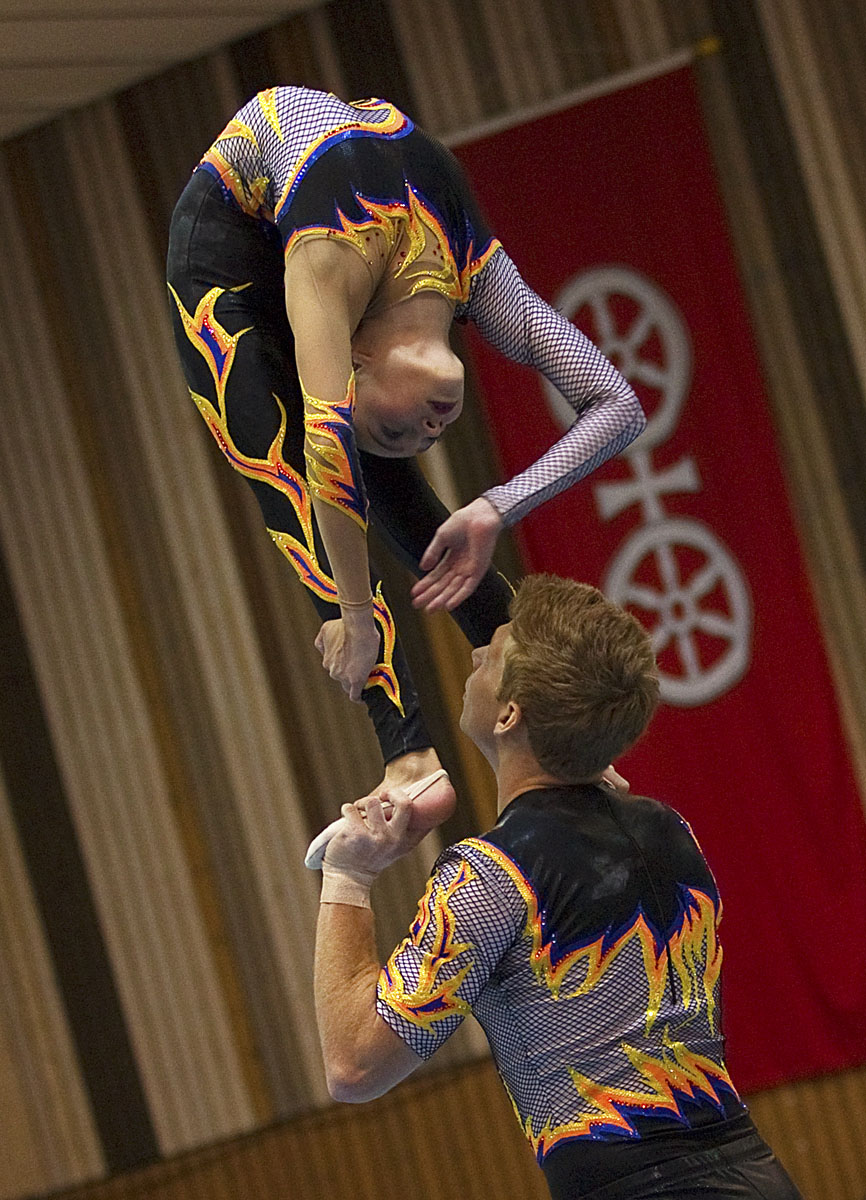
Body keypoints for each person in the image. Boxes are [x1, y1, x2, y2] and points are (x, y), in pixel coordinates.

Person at [166, 86, 646, 823]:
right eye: (404, 432)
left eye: (416, 432)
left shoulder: (484, 283)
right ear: (351, 358)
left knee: (427, 517)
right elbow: (328, 446)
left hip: (348, 199)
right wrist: (352, 612)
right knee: (280, 457)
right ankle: (408, 751)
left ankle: (548, 708)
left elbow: (620, 405)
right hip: (228, 237)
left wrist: (493, 507)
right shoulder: (336, 266)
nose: (424, 436)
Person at [312, 575, 802, 1200]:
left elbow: (354, 1065)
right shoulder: (671, 830)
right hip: (758, 1177)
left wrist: (348, 877)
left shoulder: (489, 876)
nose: (474, 653)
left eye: (492, 654)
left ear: (510, 713)